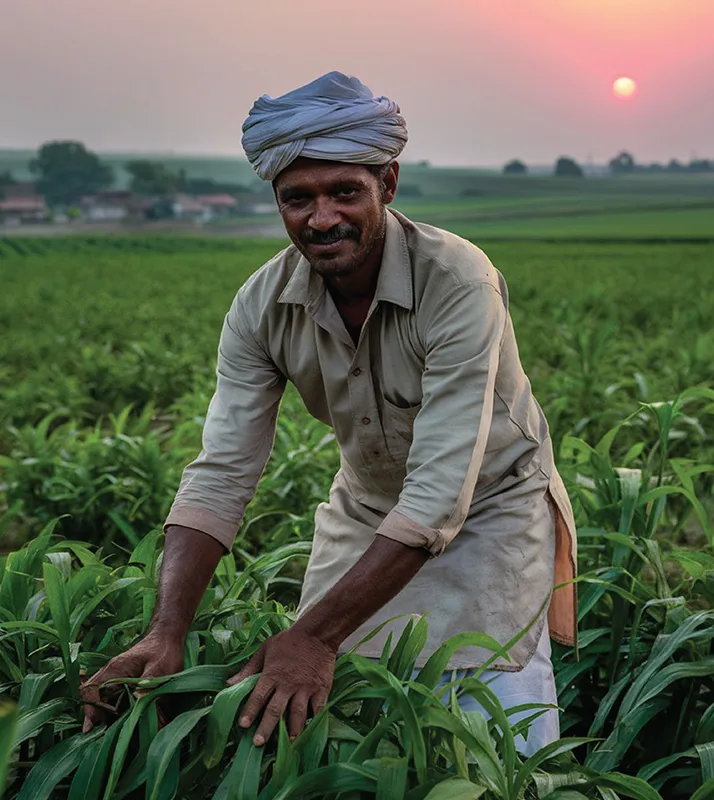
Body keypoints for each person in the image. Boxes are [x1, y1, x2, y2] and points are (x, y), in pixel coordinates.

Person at [81, 71, 577, 756]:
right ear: (277, 202)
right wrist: (167, 632)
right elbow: (221, 473)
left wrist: (313, 634)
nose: (321, 219)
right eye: (297, 199)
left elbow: (440, 493)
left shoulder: (459, 282)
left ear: (388, 185)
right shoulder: (261, 305)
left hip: (491, 507)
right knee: (332, 718)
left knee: (491, 724)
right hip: (369, 507)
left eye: (345, 192)